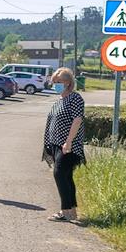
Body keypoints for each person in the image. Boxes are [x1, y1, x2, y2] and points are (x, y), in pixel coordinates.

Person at [43, 67, 85, 222]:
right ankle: (71, 211)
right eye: (54, 82)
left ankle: (65, 211)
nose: (55, 84)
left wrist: (69, 141)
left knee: (59, 174)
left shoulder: (75, 98)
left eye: (59, 82)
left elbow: (77, 119)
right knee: (66, 176)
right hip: (56, 144)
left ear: (68, 83)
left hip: (69, 145)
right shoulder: (59, 101)